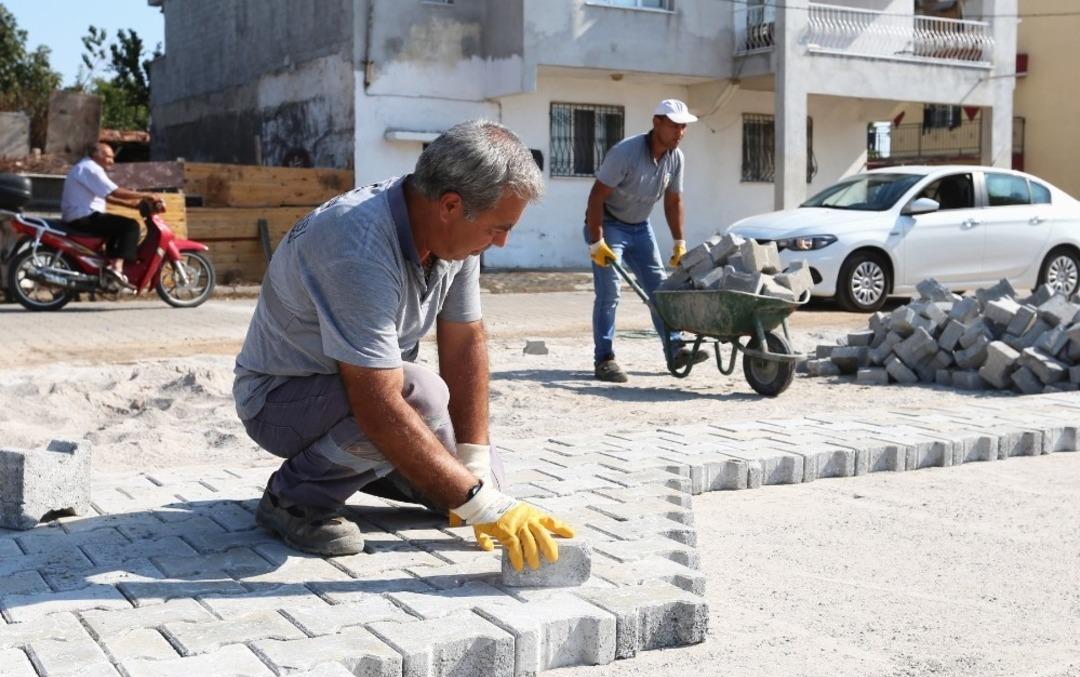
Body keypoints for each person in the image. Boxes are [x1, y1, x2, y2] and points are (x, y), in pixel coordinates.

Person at [233, 120, 574, 572]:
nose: (503, 242)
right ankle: (294, 499)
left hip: (361, 389)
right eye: (498, 228)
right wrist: (481, 506)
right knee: (423, 395)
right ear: (451, 205)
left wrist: (472, 470)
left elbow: (464, 340)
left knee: (479, 475)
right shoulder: (356, 243)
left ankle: (427, 477)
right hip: (279, 402)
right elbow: (377, 401)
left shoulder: (452, 236)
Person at [584, 98, 709, 383]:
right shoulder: (625, 153)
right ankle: (604, 359)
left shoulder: (676, 158)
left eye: (684, 127)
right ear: (657, 123)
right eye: (675, 126)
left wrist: (679, 241)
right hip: (609, 224)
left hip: (640, 227)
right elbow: (596, 197)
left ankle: (675, 348)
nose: (680, 132)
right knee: (610, 293)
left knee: (660, 290)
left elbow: (673, 200)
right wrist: (596, 241)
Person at [61, 143, 160, 289]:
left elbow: (107, 196)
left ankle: (111, 267)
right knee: (130, 226)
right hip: (83, 217)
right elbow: (115, 192)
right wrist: (146, 194)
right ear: (96, 155)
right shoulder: (91, 168)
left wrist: (133, 205)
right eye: (108, 157)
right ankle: (116, 268)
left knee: (116, 227)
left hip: (82, 216)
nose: (111, 161)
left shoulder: (86, 168)